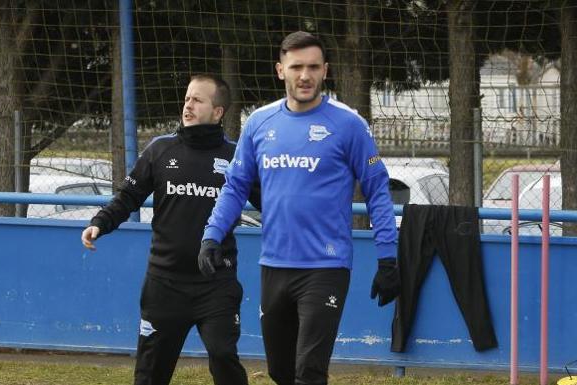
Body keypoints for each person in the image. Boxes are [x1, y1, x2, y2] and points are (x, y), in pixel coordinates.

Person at [198, 31, 400, 385]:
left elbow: (377, 190)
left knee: (309, 370)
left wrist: (388, 257)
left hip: (326, 265)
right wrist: (212, 235)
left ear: (326, 70)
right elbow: (235, 186)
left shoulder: (348, 124)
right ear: (280, 70)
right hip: (274, 265)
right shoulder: (259, 123)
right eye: (296, 67)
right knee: (281, 371)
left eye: (312, 67)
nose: (304, 75)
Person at [81, 74, 259, 385]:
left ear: (218, 112)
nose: (188, 105)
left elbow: (271, 202)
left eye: (198, 100)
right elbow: (128, 196)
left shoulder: (235, 157)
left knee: (223, 356)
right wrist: (100, 222)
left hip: (216, 283)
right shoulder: (160, 150)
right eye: (187, 98)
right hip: (164, 284)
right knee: (150, 373)